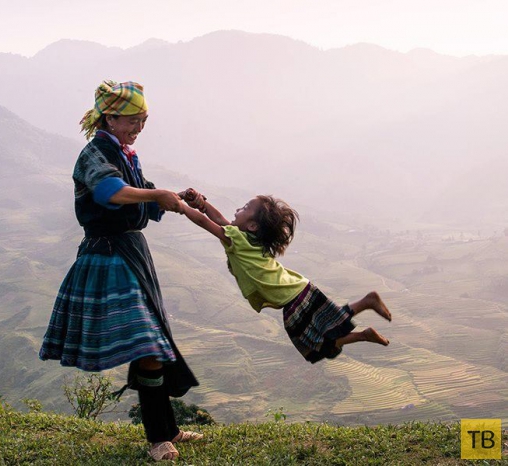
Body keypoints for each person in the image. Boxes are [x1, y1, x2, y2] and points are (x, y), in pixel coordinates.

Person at [39, 81, 201, 461]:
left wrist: (177, 198)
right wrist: (156, 195)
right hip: (108, 257)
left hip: (132, 253)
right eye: (132, 121)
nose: (139, 128)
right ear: (110, 118)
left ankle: (167, 430)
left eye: (143, 121)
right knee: (149, 346)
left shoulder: (125, 154)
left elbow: (141, 195)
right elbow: (111, 191)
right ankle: (158, 439)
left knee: (153, 345)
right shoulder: (94, 154)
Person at [177, 188, 392, 364]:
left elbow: (207, 222)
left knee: (318, 342)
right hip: (298, 289)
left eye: (244, 208)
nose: (237, 210)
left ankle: (366, 314)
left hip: (292, 299)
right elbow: (219, 219)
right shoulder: (247, 238)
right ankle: (365, 318)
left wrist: (182, 207)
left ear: (252, 225)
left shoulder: (236, 239)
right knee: (323, 333)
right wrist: (202, 204)